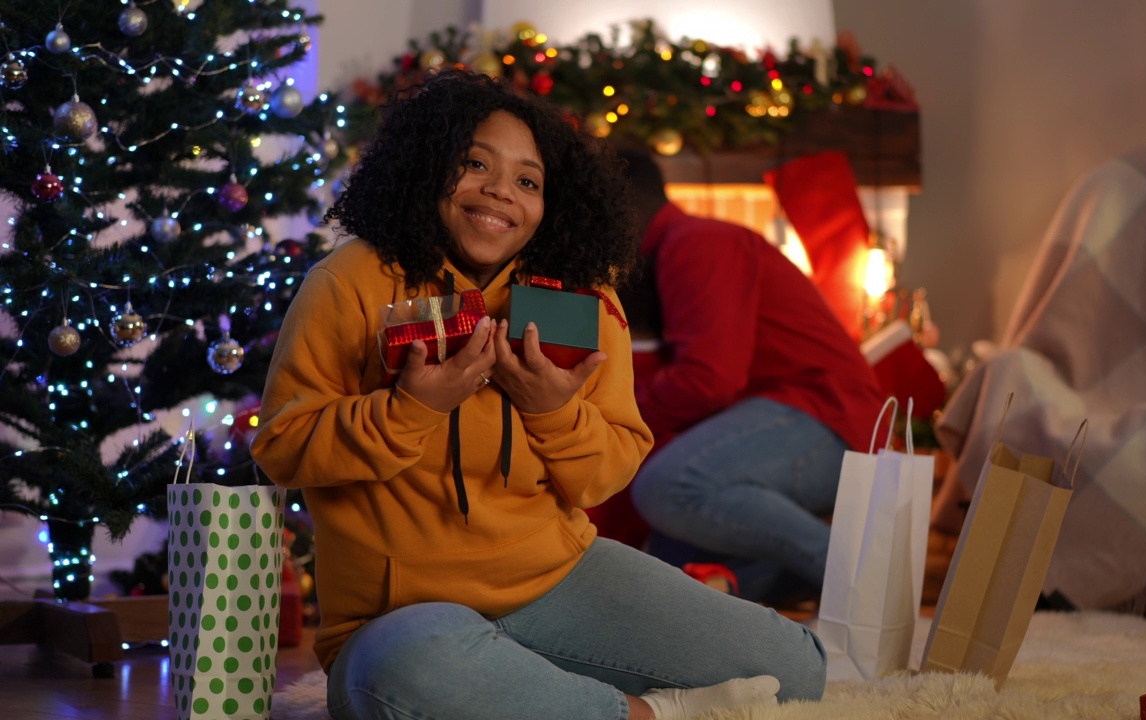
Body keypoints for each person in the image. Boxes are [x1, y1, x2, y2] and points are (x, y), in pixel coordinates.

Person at [250, 68, 826, 720]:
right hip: (402, 618)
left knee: (800, 669)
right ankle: (642, 715)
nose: (500, 192)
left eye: (528, 181)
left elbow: (608, 470)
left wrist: (552, 411)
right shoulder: (349, 281)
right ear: (426, 169)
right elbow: (283, 446)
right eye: (474, 165)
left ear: (552, 205)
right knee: (406, 675)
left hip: (558, 581)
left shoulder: (585, 299)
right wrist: (413, 408)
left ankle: (536, 690)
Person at [617, 148, 887, 603]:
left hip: (825, 416)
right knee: (667, 562)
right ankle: (803, 581)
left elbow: (709, 379)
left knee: (667, 487)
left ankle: (863, 578)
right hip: (802, 420)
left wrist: (614, 412)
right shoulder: (680, 250)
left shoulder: (696, 243)